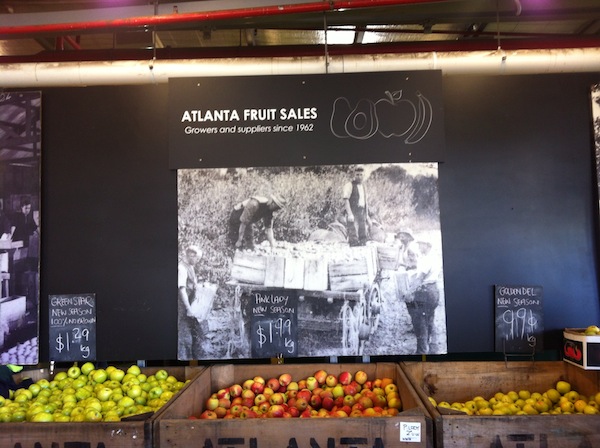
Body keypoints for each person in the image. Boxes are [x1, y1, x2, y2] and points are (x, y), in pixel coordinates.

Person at [404, 239, 442, 353]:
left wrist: (409, 292)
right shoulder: (434, 257)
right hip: (434, 290)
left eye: (421, 244)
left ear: (427, 245)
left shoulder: (428, 259)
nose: (419, 247)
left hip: (426, 292)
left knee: (420, 324)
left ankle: (421, 353)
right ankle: (431, 349)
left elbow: (420, 278)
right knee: (429, 319)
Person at [177, 245, 205, 359]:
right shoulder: (181, 268)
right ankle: (184, 360)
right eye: (196, 258)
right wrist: (188, 308)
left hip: (191, 305)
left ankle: (194, 358)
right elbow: (182, 290)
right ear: (190, 255)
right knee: (184, 337)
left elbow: (193, 283)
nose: (197, 261)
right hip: (183, 306)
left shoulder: (190, 266)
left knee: (195, 333)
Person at [342, 165, 371, 246]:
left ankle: (362, 242)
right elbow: (346, 200)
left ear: (364, 175)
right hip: (353, 209)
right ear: (354, 175)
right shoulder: (349, 185)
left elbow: (365, 201)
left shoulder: (364, 186)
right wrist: (350, 213)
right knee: (352, 228)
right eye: (357, 175)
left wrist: (367, 215)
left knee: (363, 228)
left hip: (361, 210)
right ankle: (353, 243)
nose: (359, 177)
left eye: (361, 175)